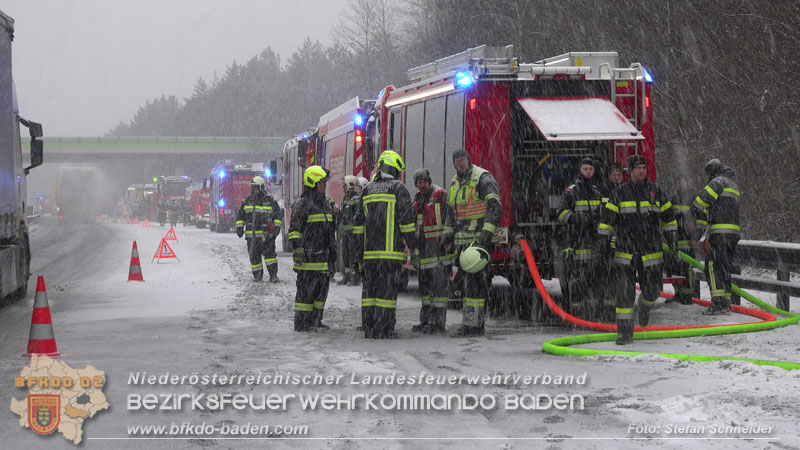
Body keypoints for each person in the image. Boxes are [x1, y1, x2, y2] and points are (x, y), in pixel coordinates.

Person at [598, 154, 678, 345]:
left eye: (644, 167)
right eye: (638, 168)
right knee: (624, 296)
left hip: (652, 252)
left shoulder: (656, 192)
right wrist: (604, 246)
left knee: (654, 290)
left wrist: (673, 240)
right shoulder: (619, 193)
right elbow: (606, 223)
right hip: (625, 253)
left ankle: (644, 305)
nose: (642, 171)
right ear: (630, 171)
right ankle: (624, 334)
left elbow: (669, 218)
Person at [355, 150, 416, 339]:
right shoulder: (398, 188)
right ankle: (384, 328)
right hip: (390, 255)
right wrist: (414, 247)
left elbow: (358, 225)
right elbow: (406, 223)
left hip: (370, 255)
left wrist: (358, 254)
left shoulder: (367, 189)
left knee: (370, 292)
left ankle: (369, 327)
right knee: (386, 294)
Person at [443, 149, 502, 337]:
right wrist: (447, 235)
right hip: (463, 244)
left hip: (478, 244)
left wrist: (486, 234)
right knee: (466, 286)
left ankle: (474, 326)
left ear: (469, 160)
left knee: (476, 286)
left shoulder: (482, 178)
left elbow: (495, 207)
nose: (460, 164)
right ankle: (469, 323)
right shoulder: (454, 182)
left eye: (463, 161)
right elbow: (451, 213)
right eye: (457, 161)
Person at [288, 166, 337, 331]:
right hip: (308, 261)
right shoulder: (302, 204)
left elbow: (331, 232)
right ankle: (302, 324)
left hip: (323, 260)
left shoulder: (326, 204)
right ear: (313, 183)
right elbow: (295, 230)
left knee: (321, 293)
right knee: (305, 295)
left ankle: (316, 320)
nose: (324, 185)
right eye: (322, 182)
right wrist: (299, 250)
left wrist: (333, 255)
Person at [692, 158, 741, 315]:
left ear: (711, 172)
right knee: (725, 267)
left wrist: (692, 210)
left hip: (720, 232)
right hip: (733, 233)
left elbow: (700, 203)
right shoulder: (733, 184)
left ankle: (717, 303)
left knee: (712, 267)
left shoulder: (717, 182)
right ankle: (725, 301)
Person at [557, 157, 603, 321]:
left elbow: (602, 212)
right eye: (585, 169)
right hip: (576, 240)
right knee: (576, 279)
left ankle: (592, 313)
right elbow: (561, 213)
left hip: (593, 240)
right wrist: (576, 219)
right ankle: (576, 315)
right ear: (580, 171)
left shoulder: (597, 191)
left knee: (593, 279)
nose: (588, 172)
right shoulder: (571, 191)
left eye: (590, 169)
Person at [411, 168, 452, 333]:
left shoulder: (441, 195)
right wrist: (414, 252)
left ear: (429, 181)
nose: (422, 185)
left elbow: (450, 217)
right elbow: (415, 229)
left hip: (439, 251)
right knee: (426, 293)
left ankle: (438, 324)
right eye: (419, 183)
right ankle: (425, 322)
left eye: (424, 181)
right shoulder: (417, 202)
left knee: (439, 292)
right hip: (424, 253)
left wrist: (447, 239)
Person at [236, 176, 283, 282]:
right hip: (252, 238)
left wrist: (276, 229)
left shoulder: (270, 201)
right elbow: (240, 216)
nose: (253, 189)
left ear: (261, 187)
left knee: (270, 256)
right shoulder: (247, 202)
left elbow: (278, 216)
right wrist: (239, 227)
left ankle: (273, 275)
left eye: (255, 187)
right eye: (252, 187)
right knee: (254, 257)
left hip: (267, 236)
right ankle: (257, 276)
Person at [666, 173, 699, 305]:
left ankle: (688, 296)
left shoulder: (693, 198)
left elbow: (700, 219)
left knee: (687, 270)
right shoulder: (673, 199)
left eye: (682, 182)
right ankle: (679, 293)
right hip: (676, 241)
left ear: (687, 183)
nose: (680, 184)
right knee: (676, 270)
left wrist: (695, 237)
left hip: (688, 241)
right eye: (678, 182)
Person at [338, 175, 362, 286]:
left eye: (344, 185)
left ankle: (354, 277)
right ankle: (346, 276)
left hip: (354, 234)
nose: (343, 188)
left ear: (350, 185)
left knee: (353, 255)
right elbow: (344, 215)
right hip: (347, 233)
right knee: (345, 254)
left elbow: (358, 215)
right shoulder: (346, 198)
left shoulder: (356, 198)